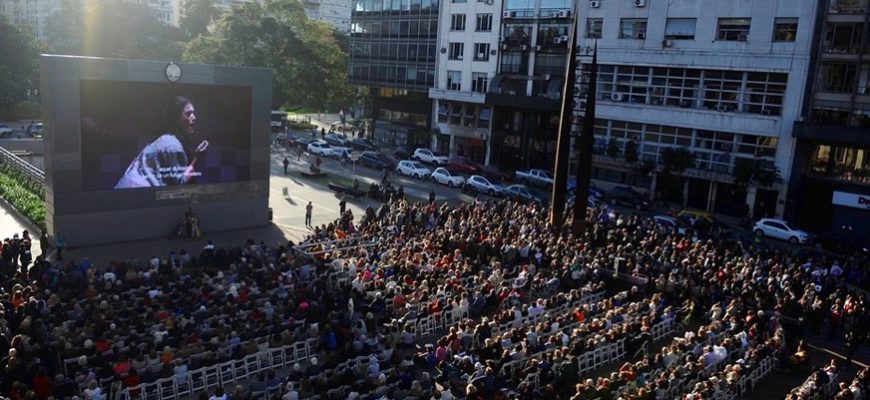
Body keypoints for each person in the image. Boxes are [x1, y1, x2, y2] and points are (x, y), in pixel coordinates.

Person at [115, 96, 208, 188]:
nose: (194, 117)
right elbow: (180, 183)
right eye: (188, 114)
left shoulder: (164, 139)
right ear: (176, 118)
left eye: (193, 113)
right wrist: (197, 158)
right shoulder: (171, 144)